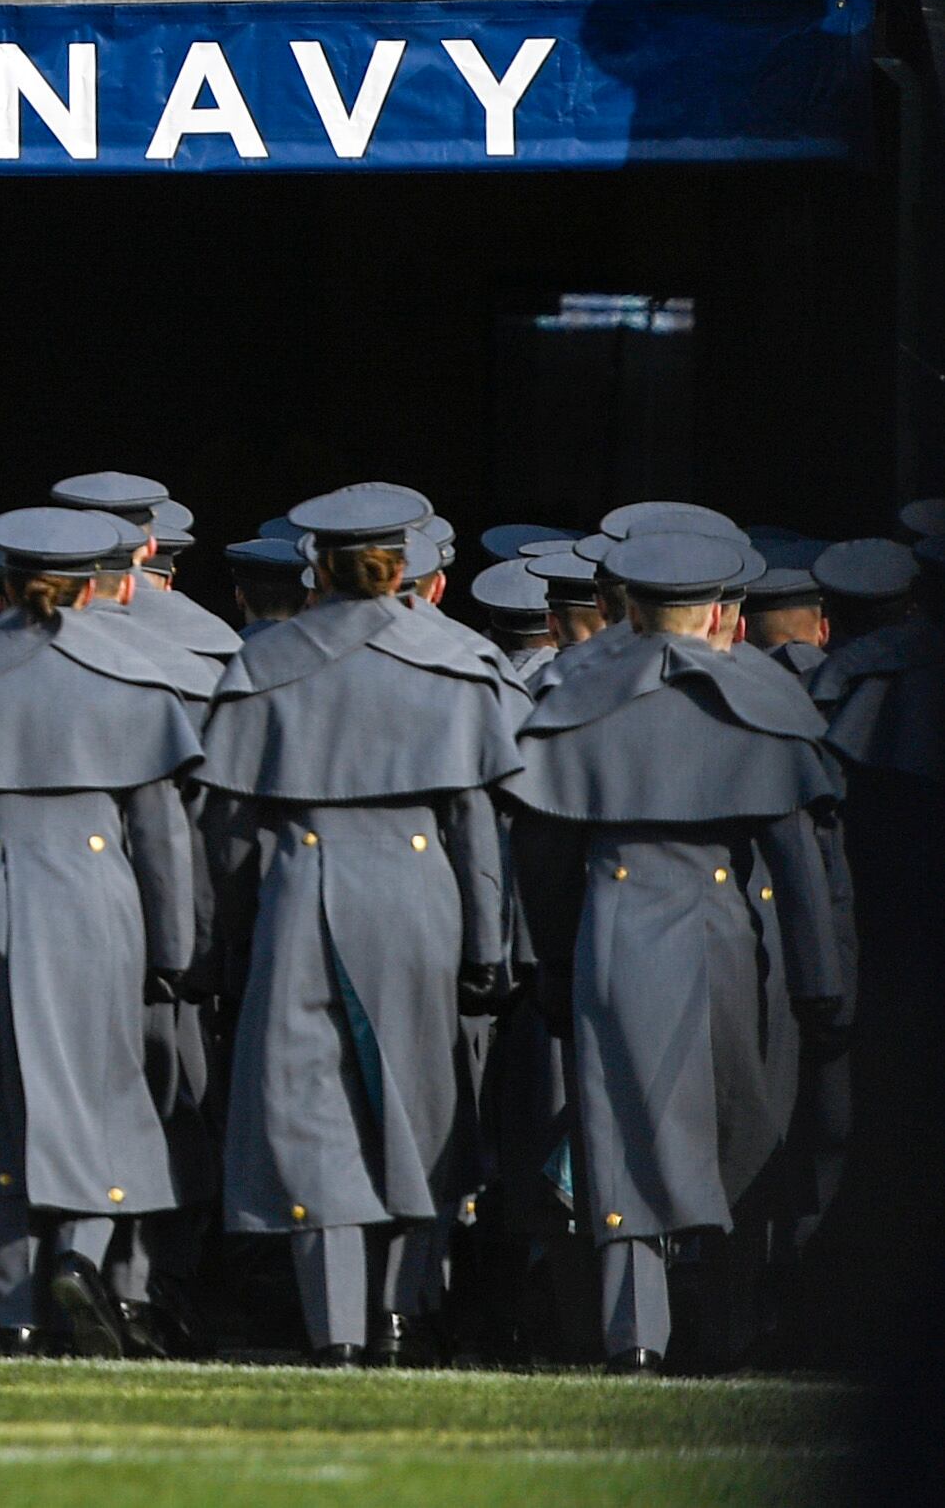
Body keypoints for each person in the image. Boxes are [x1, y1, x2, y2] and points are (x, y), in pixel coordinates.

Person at [498, 526, 846, 1372]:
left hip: (614, 928)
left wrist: (552, 963)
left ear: (628, 607)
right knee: (738, 1121)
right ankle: (730, 1326)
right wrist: (819, 980)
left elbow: (543, 854)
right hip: (724, 927)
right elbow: (795, 852)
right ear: (719, 611)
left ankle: (637, 1333)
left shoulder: (581, 693)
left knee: (622, 1123)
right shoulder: (758, 697)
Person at [202, 482, 526, 1367]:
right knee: (419, 1102)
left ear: (317, 565)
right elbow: (474, 820)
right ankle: (400, 1310)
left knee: (312, 1109)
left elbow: (228, 827)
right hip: (419, 893)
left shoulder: (268, 659)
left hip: (298, 889)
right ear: (405, 563)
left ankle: (336, 1323)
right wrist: (486, 945)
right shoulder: (452, 657)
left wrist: (232, 932)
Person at [0, 508, 206, 1358]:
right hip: (98, 902)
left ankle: (16, 1307)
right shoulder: (130, 675)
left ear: (5, 584)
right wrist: (173, 948)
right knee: (100, 1087)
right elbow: (161, 833)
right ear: (97, 586)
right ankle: (80, 1255)